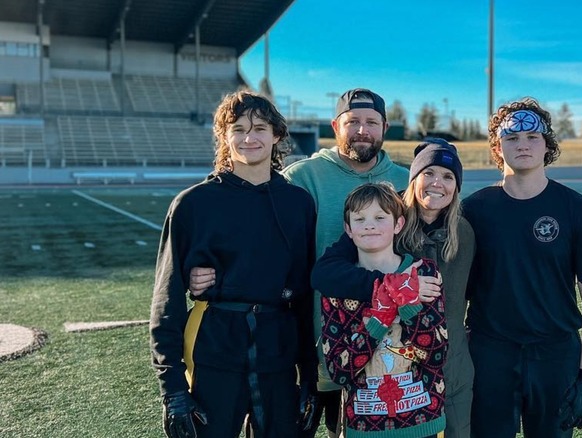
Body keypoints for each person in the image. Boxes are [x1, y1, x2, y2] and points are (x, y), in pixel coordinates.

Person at [189, 88, 412, 438]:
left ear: (385, 126)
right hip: (310, 343)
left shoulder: (407, 182)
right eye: (353, 122)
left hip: (388, 346)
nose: (362, 130)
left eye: (371, 122)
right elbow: (254, 232)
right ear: (336, 125)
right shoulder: (302, 178)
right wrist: (205, 269)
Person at [150, 91, 318, 438]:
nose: (249, 137)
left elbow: (304, 297)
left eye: (259, 128)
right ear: (224, 137)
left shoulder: (298, 203)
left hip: (279, 356)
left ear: (277, 135)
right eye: (238, 129)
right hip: (215, 354)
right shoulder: (193, 204)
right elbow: (166, 301)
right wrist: (174, 390)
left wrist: (311, 379)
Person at [462, 97, 582, 438]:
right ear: (496, 146)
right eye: (511, 137)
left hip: (556, 355)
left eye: (532, 137)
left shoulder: (578, 210)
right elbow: (454, 295)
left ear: (547, 144)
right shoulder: (472, 211)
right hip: (490, 354)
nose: (522, 144)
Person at [311, 138, 475, 438]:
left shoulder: (464, 230)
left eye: (448, 176)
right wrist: (389, 288)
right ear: (414, 177)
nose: (437, 183)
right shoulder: (382, 216)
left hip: (446, 365)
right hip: (374, 388)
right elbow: (325, 274)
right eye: (428, 173)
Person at [320, 182, 447, 437]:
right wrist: (378, 320)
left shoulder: (423, 273)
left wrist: (409, 306)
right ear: (348, 229)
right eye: (360, 218)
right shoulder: (337, 287)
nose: (369, 225)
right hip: (365, 424)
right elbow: (339, 371)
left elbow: (436, 353)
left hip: (421, 421)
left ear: (398, 225)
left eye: (380, 217)